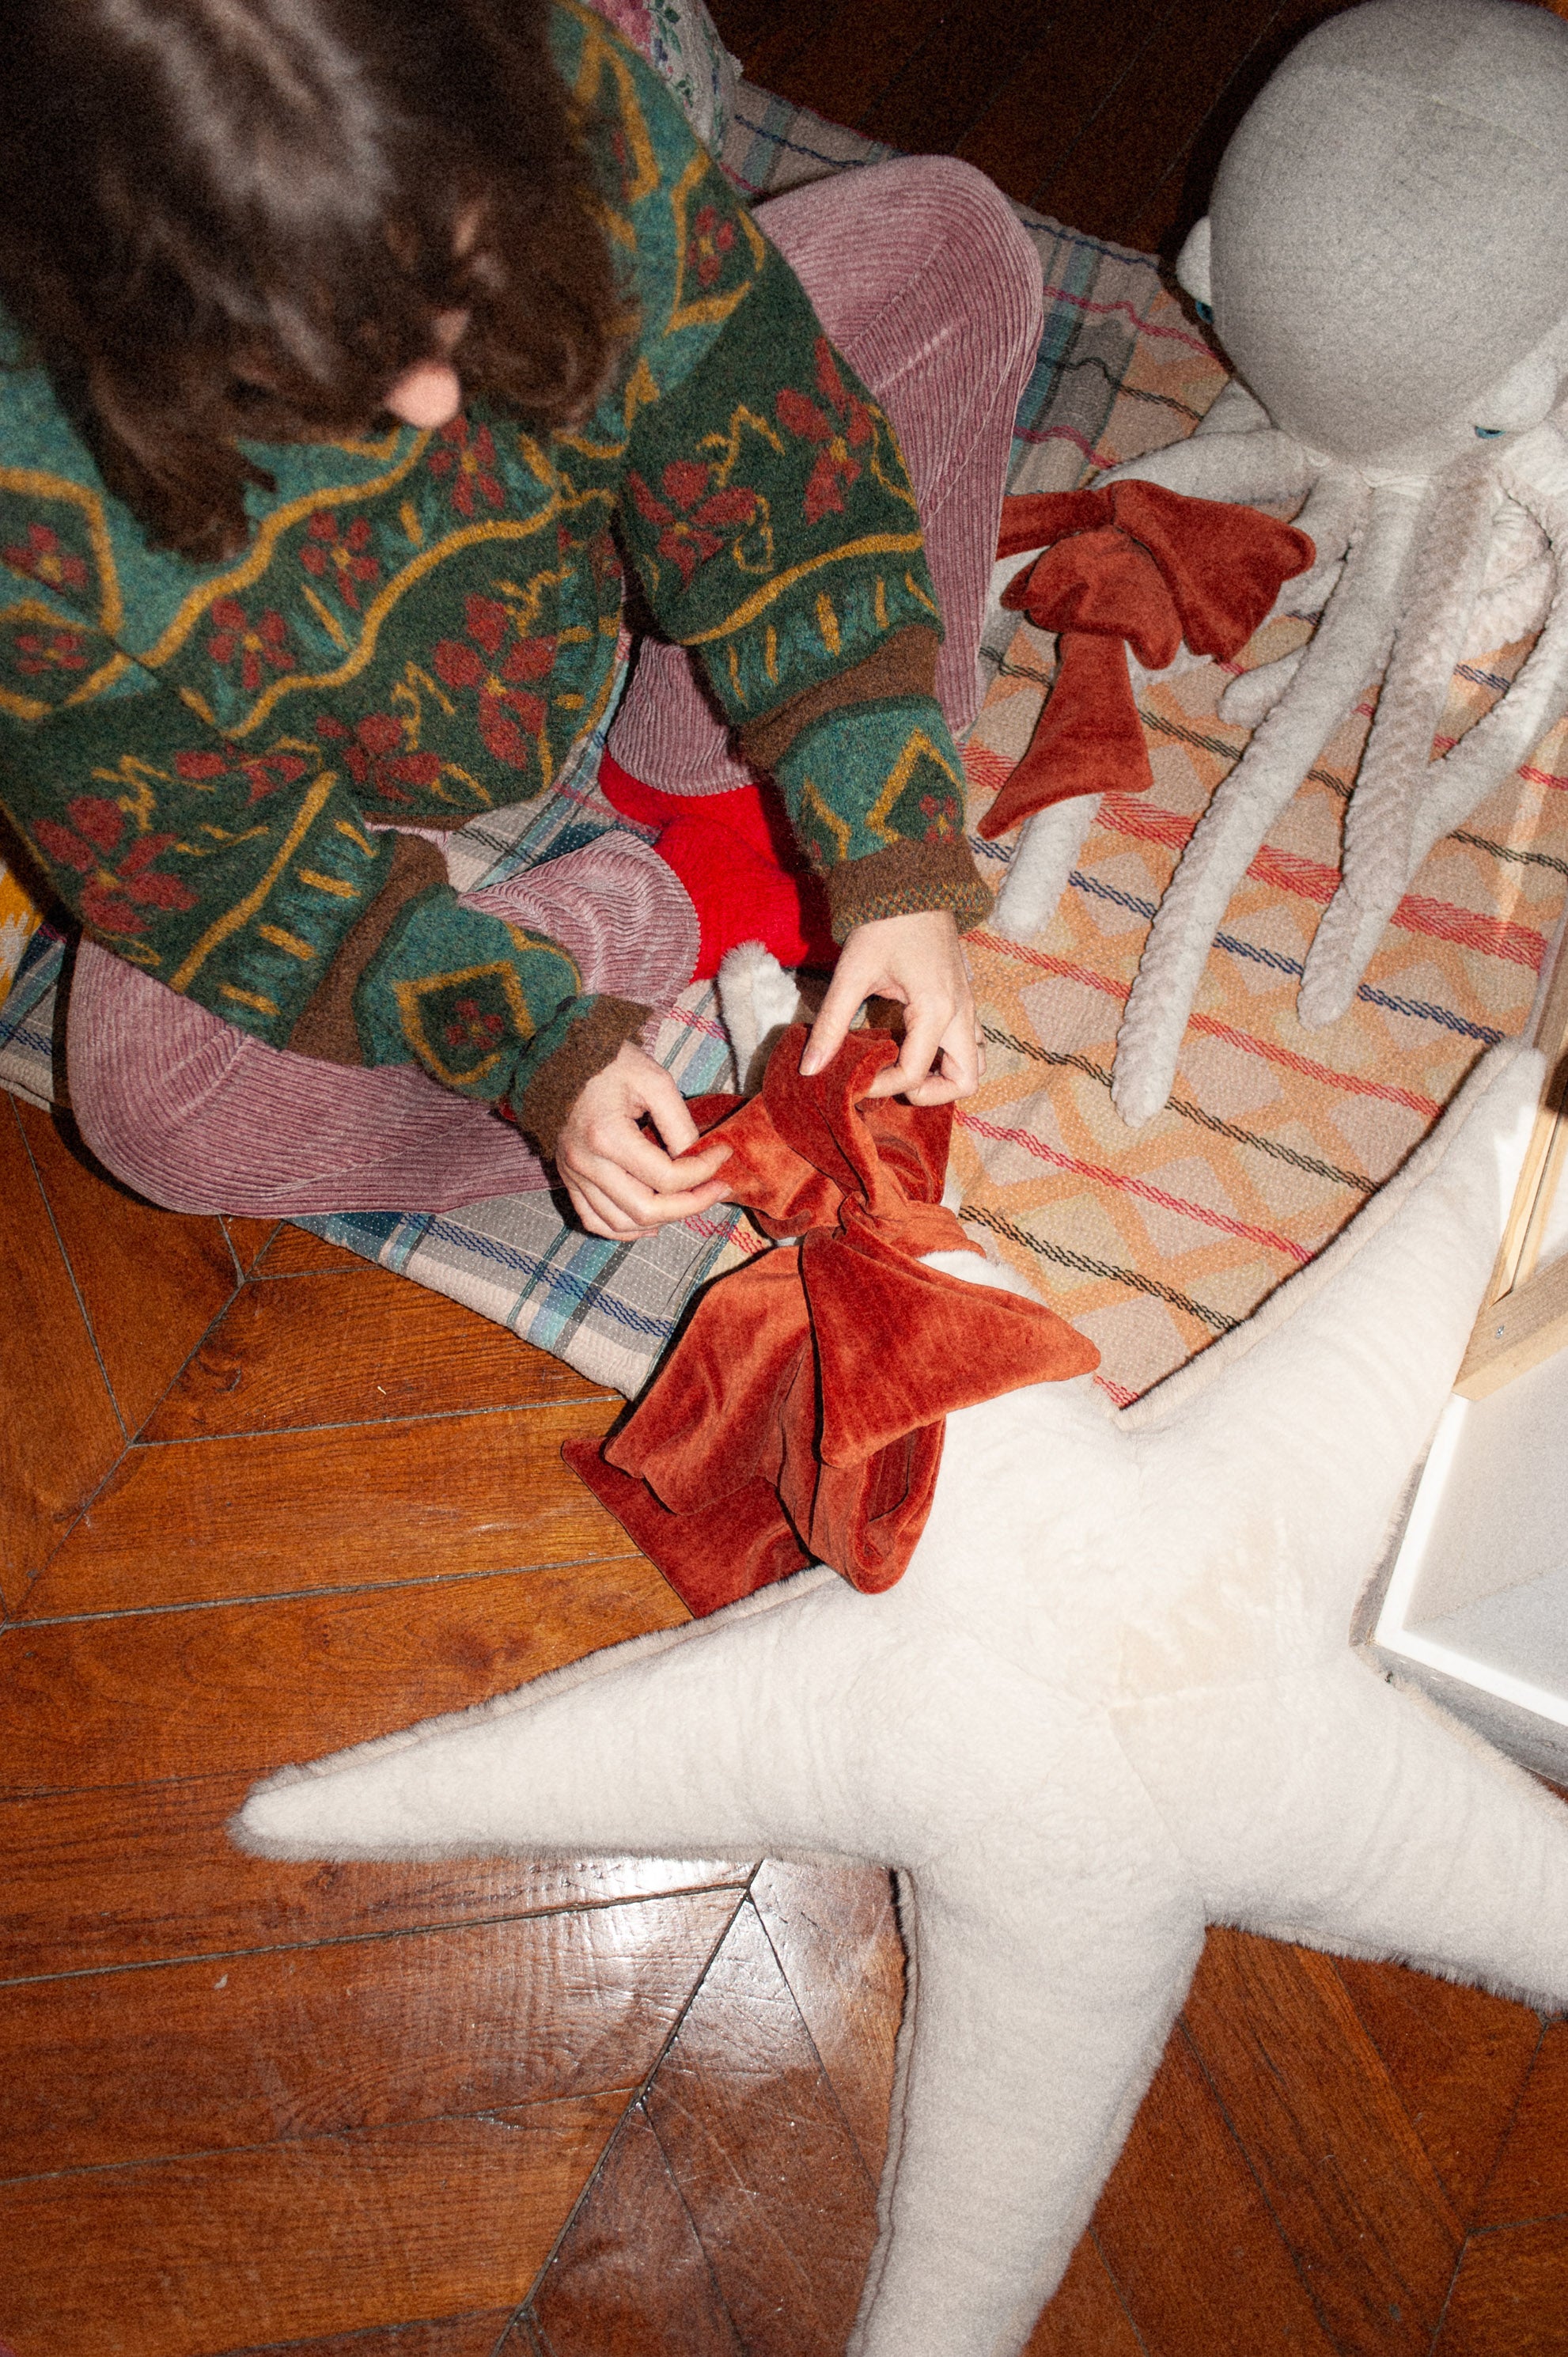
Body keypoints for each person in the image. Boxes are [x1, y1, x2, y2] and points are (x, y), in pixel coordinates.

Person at [0, 0, 1041, 1240]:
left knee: (952, 239)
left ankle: (702, 784)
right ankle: (693, 897)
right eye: (331, 362)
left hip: (610, 575)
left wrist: (890, 842)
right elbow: (204, 867)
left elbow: (760, 444)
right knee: (162, 1114)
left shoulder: (543, 80)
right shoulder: (25, 495)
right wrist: (538, 1053)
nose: (440, 402)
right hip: (319, 793)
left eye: (460, 282)